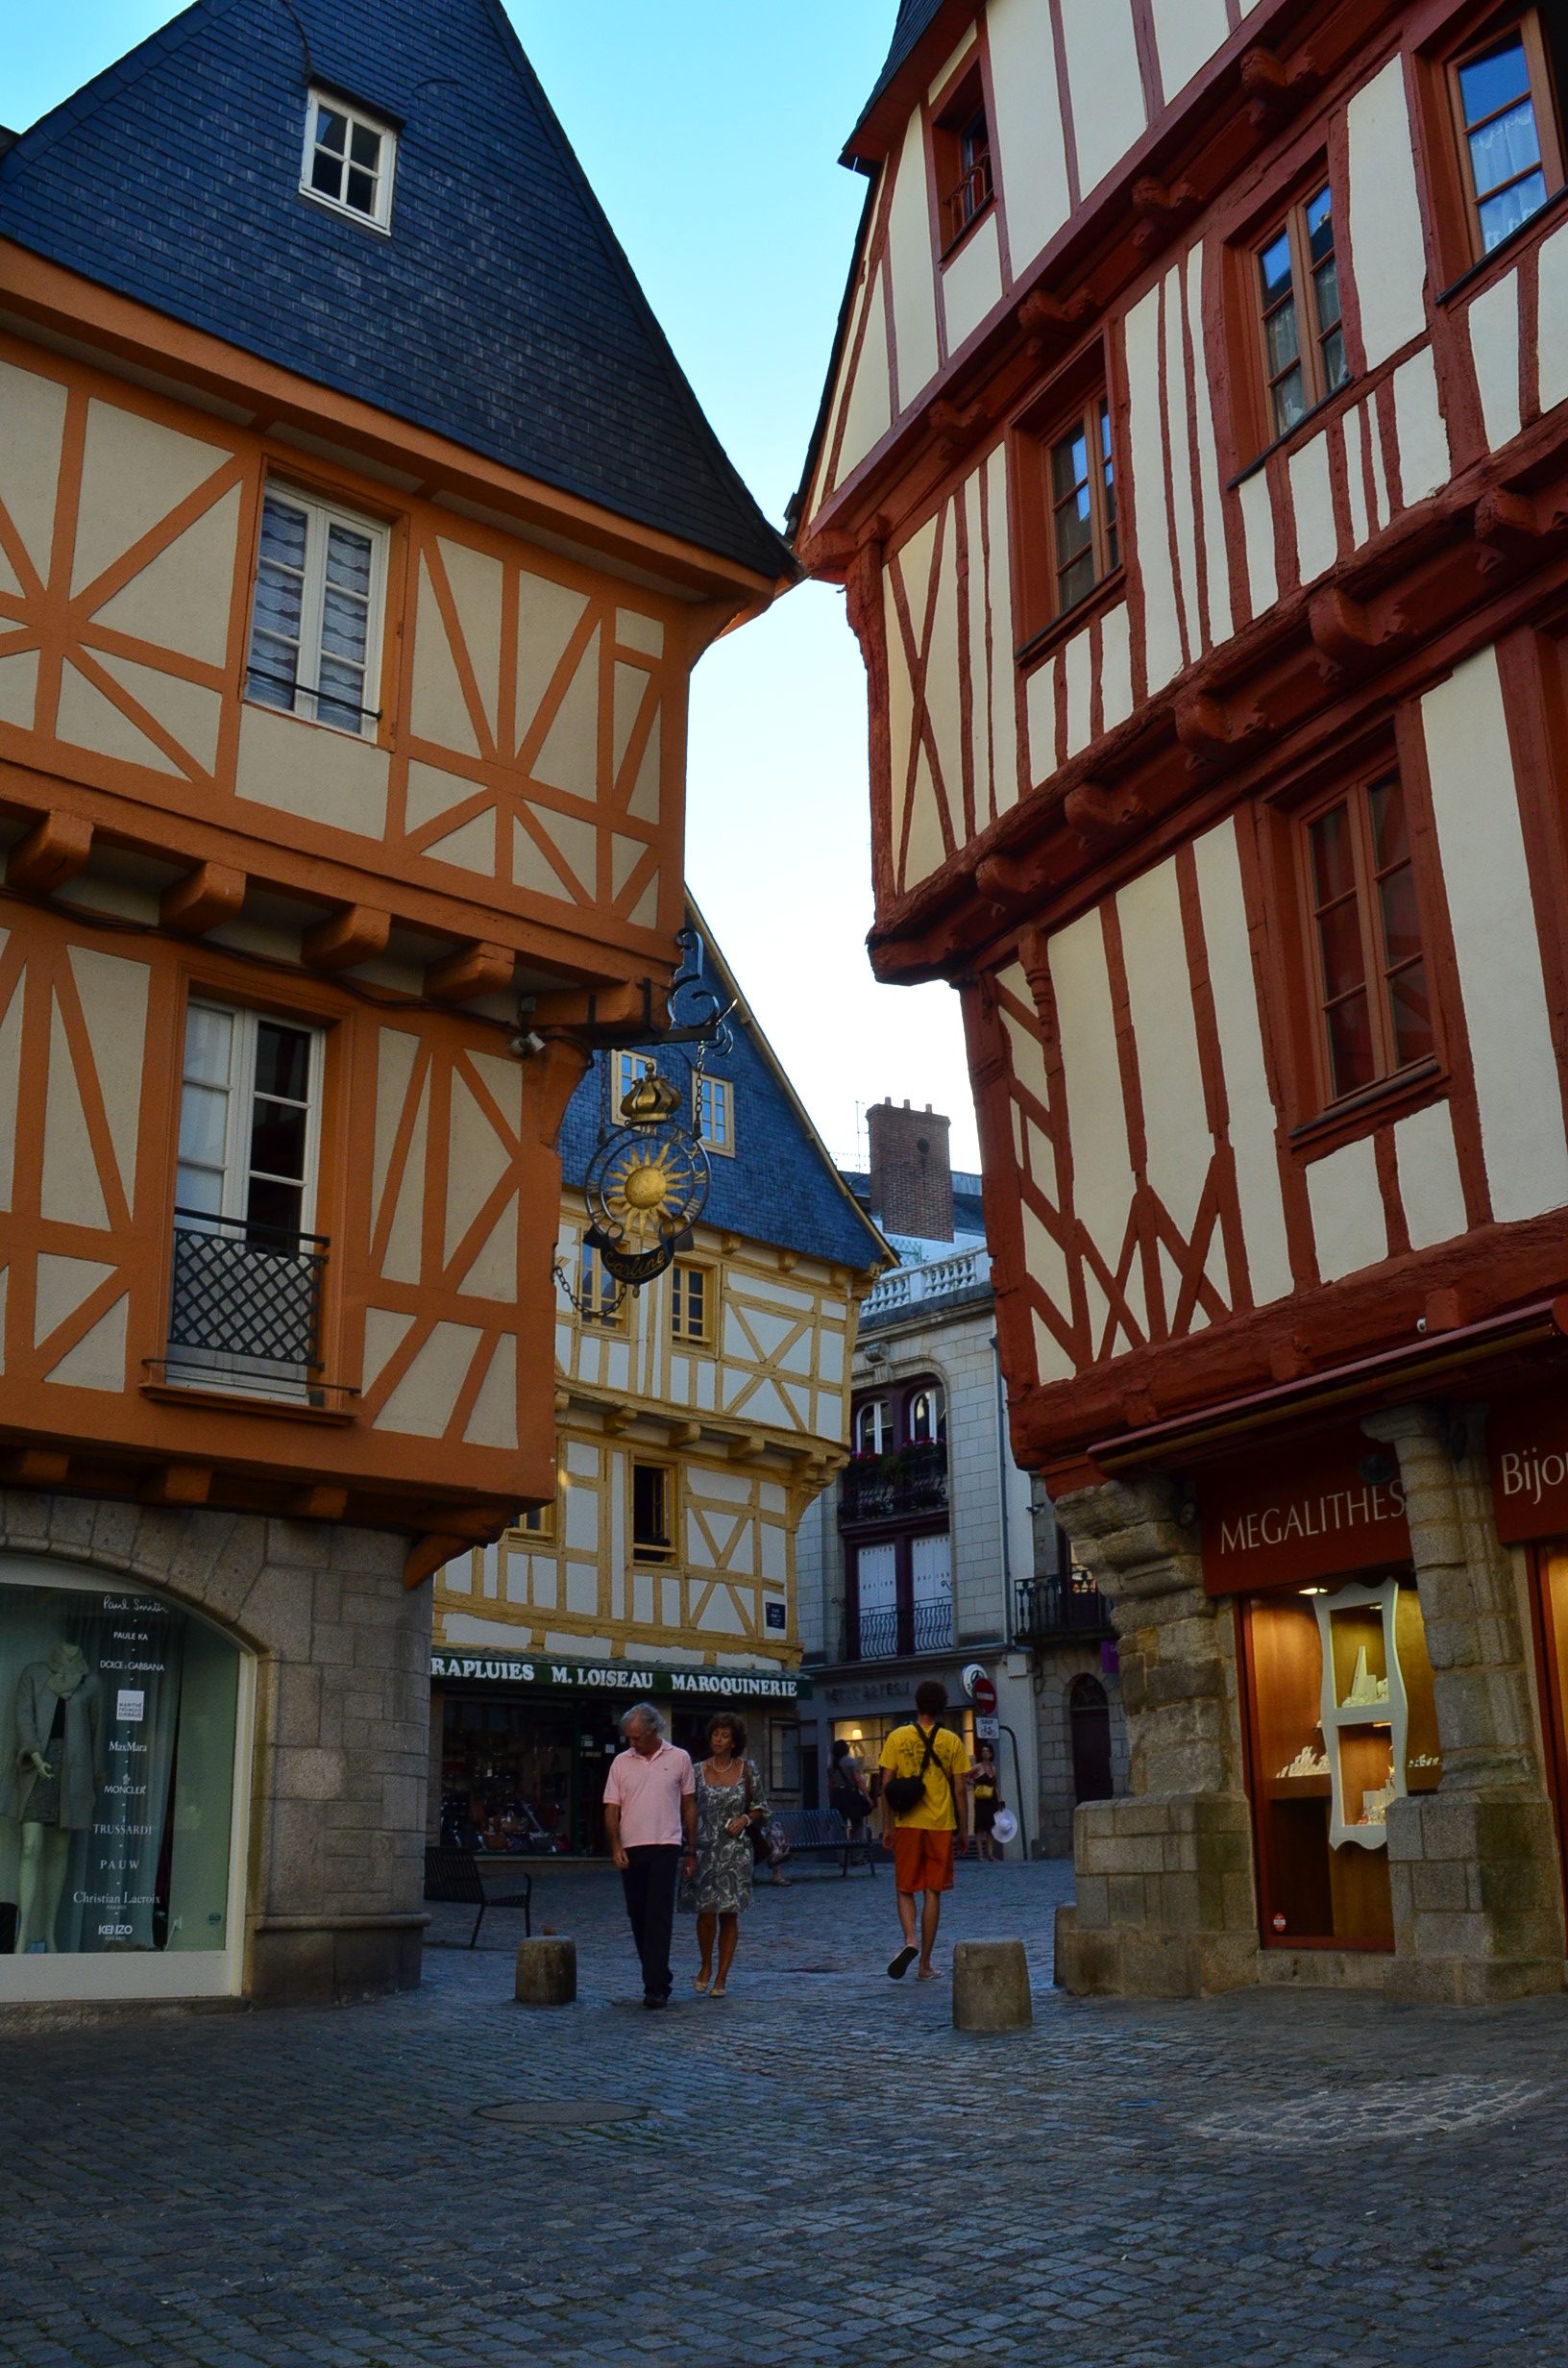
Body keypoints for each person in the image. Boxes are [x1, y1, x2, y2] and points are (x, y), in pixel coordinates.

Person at [602, 1702, 697, 2010]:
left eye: (637, 1737)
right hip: (632, 1846)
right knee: (638, 1914)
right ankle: (658, 1974)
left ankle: (656, 1986)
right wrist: (615, 1845)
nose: (632, 1743)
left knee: (658, 1914)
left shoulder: (679, 1758)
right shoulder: (621, 1763)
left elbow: (689, 1805)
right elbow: (612, 1807)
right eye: (629, 1738)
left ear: (654, 1731)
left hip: (666, 1843)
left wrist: (691, 1848)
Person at [878, 1678, 969, 1980]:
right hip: (940, 1824)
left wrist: (887, 1826)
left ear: (916, 1704)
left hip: (907, 1823)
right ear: (942, 1707)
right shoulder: (953, 1741)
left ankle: (910, 1940)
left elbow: (885, 1786)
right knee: (933, 1891)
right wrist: (963, 1830)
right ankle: (925, 1965)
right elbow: (960, 1790)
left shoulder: (897, 1737)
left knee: (905, 1888)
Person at [678, 1711, 768, 1997]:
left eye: (725, 1735)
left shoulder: (747, 1770)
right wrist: (689, 1848)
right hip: (705, 1849)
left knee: (729, 1914)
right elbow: (686, 1807)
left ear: (734, 1741)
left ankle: (722, 1976)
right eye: (715, 1734)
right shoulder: (696, 1771)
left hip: (735, 1851)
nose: (718, 1739)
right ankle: (705, 1965)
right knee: (706, 1912)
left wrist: (745, 1819)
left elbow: (762, 1808)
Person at [827, 1737, 872, 1838]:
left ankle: (842, 1847)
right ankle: (856, 1847)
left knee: (839, 1827)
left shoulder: (831, 1765)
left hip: (837, 1797)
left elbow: (830, 1785)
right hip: (851, 1797)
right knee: (857, 1825)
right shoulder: (850, 1762)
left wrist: (831, 1799)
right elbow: (858, 1780)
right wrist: (867, 1797)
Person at [969, 1739, 1004, 1862]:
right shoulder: (977, 1767)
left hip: (991, 1799)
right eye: (983, 1751)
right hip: (980, 1800)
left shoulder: (993, 1769)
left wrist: (1000, 1800)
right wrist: (973, 1784)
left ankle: (990, 1853)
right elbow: (965, 1775)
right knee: (979, 1826)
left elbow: (995, 1785)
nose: (985, 1753)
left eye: (987, 1751)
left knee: (990, 1827)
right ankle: (980, 1854)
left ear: (991, 1754)